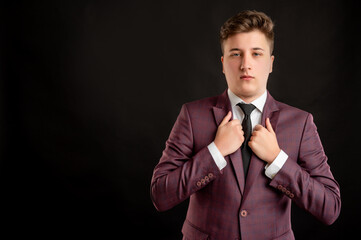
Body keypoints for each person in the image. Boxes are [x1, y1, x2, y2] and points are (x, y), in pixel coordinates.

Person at [150, 10, 341, 240]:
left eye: (256, 54)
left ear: (270, 63)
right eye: (235, 54)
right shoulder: (192, 115)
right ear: (223, 63)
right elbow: (160, 195)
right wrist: (215, 152)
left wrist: (278, 159)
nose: (245, 65)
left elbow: (330, 208)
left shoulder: (300, 123)